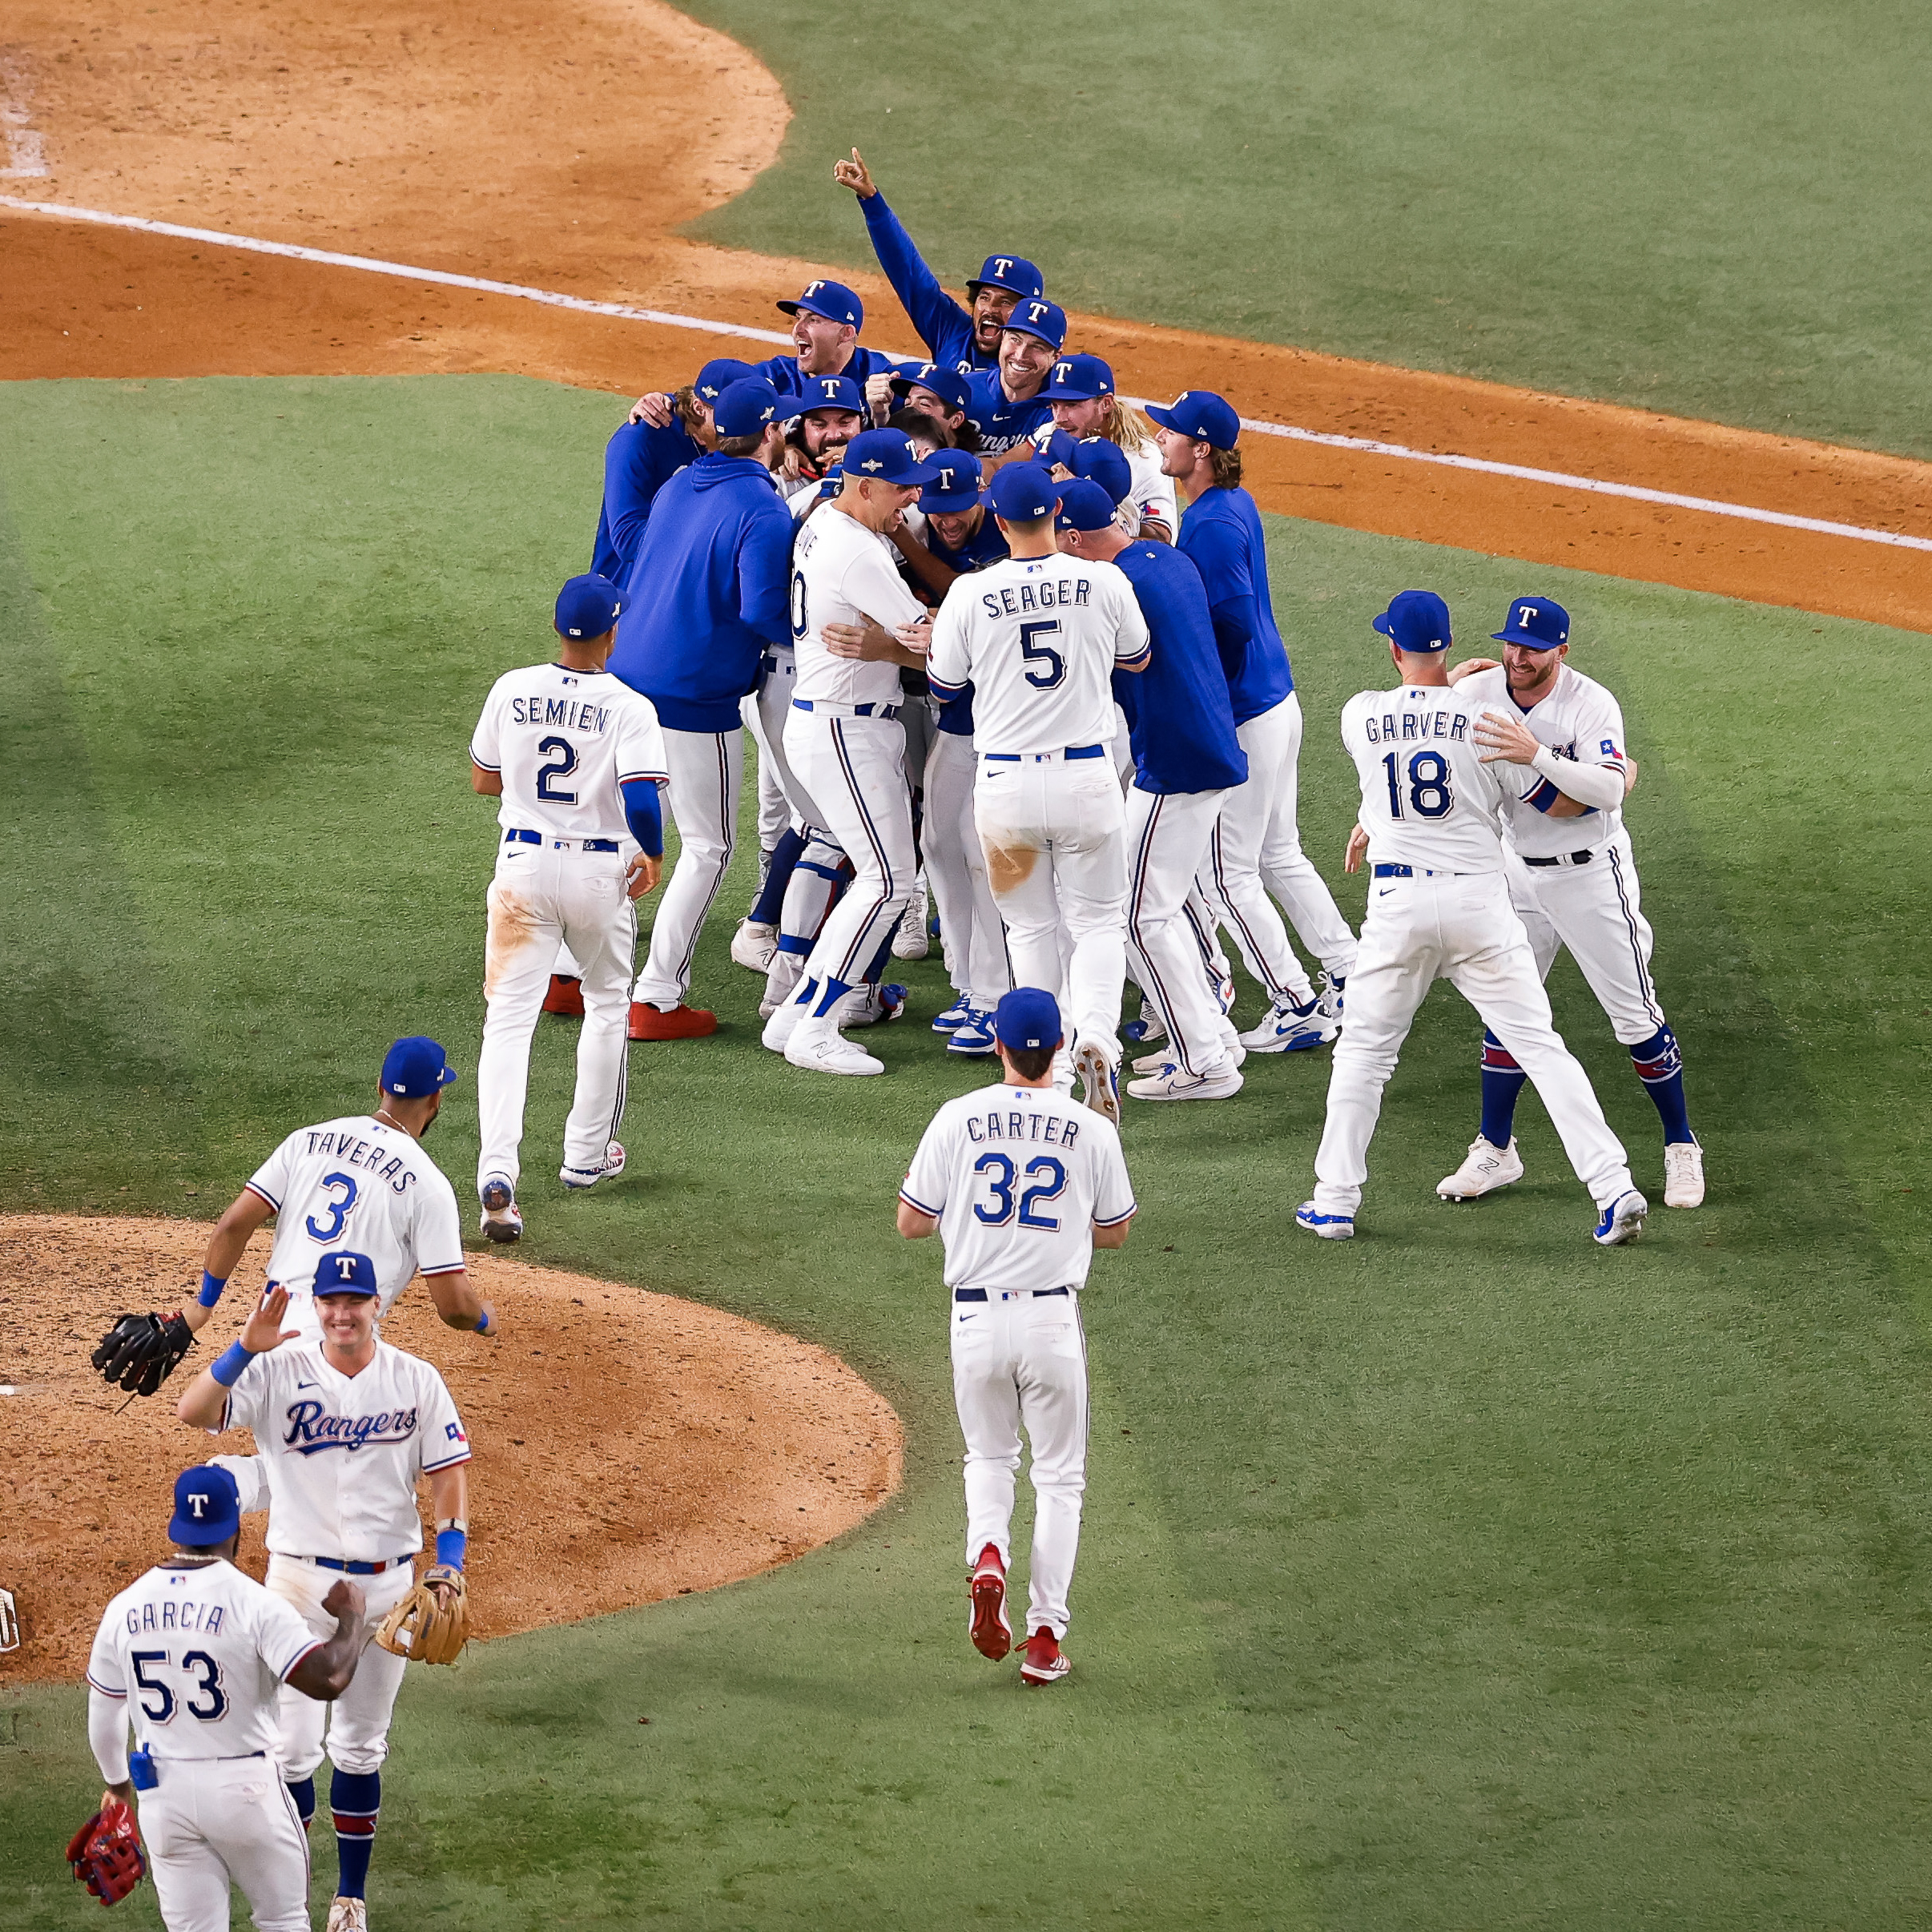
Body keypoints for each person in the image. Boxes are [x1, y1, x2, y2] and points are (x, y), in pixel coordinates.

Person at [1295, 590, 1648, 1246]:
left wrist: (1372, 821)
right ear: (1448, 645)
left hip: (1397, 908)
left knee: (1365, 1057)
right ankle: (1612, 1187)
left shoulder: (1360, 714)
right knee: (1541, 1049)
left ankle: (1334, 1201)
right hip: (1480, 907)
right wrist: (1616, 776)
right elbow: (1551, 801)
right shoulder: (1488, 723)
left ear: (1395, 648)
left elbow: (1394, 760)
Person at [175, 1260, 475, 1932]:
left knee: (363, 1746)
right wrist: (244, 1346)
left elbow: (449, 1471)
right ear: (318, 1306)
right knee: (290, 1753)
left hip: (386, 1586)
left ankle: (350, 1898)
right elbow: (192, 1410)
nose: (342, 1315)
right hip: (297, 1585)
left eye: (355, 1303)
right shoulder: (276, 1369)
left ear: (377, 1305)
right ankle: (291, 1899)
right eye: (331, 1303)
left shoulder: (416, 1380)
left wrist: (449, 1563)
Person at [897, 987, 1137, 1688]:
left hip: (974, 1319)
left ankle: (990, 1553)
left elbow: (913, 1221)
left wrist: (971, 1223)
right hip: (1051, 1323)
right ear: (1058, 1049)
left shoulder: (956, 1117)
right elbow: (1116, 1231)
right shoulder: (1091, 1128)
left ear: (998, 1046)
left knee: (989, 1457)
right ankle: (1042, 1639)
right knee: (1060, 1478)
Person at [1437, 596, 1705, 1208]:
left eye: (1532, 649)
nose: (1517, 657)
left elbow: (1605, 792)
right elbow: (1418, 726)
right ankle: (1495, 1149)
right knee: (1508, 1010)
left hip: (1590, 878)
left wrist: (1534, 755)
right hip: (1515, 875)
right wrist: (1448, 684)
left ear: (1561, 650)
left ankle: (1681, 1145)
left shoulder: (1591, 703)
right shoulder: (1480, 691)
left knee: (1634, 1017)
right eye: (1510, 644)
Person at [928, 462, 1151, 1121]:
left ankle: (1043, 1068)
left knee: (1029, 925)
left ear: (997, 521)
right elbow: (1137, 657)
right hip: (1087, 778)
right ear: (1056, 513)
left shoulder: (971, 593)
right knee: (1098, 920)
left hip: (1005, 787)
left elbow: (945, 686)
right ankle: (1099, 1037)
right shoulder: (1104, 579)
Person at [1150, 388, 1354, 1051]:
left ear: (1200, 450)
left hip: (1243, 710)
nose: (1160, 439)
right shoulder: (1229, 503)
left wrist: (1202, 683)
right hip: (1275, 699)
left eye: (1171, 433)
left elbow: (1231, 618)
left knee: (1228, 872)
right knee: (1277, 853)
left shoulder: (1210, 521)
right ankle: (1349, 971)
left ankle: (1294, 1001)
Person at [468, 574, 668, 1238]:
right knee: (607, 1002)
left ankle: (497, 1172)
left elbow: (482, 778)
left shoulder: (511, 687)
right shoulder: (629, 705)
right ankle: (585, 1156)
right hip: (595, 871)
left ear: (559, 629)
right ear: (613, 632)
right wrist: (653, 852)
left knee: (508, 1022)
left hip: (522, 868)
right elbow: (641, 795)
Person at [83, 1464, 368, 1932]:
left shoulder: (124, 1607)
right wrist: (352, 1620)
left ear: (178, 1526)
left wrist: (116, 1787)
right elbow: (327, 1680)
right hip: (247, 1794)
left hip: (164, 1796)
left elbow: (104, 1710)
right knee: (282, 1920)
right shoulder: (254, 1603)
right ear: (235, 1527)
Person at [610, 376, 801, 1039]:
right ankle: (656, 998)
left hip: (625, 681)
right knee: (708, 847)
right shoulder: (764, 509)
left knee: (624, 834)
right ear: (772, 433)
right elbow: (761, 610)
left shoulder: (680, 482)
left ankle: (571, 974)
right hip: (692, 699)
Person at [1055, 481, 1250, 1101]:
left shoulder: (1118, 584)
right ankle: (1211, 1036)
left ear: (1078, 538)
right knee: (1156, 908)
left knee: (1139, 917)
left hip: (1178, 761)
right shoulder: (1165, 558)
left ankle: (1207, 1063)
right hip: (1201, 747)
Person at [759, 428, 940, 1075]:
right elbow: (934, 644)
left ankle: (796, 1011)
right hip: (845, 728)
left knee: (876, 877)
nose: (908, 502)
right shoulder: (859, 551)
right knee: (889, 880)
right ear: (864, 486)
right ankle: (817, 1026)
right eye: (899, 490)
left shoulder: (823, 523)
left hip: (837, 721)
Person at [179, 1036, 493, 1346]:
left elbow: (234, 1225)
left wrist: (202, 1307)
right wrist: (483, 1320)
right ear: (436, 1098)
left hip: (268, 1326)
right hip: (340, 1338)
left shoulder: (306, 1140)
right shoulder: (428, 1184)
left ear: (380, 1086)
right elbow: (454, 1307)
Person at [834, 146, 1044, 373]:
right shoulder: (952, 331)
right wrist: (872, 201)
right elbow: (908, 271)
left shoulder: (1038, 369)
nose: (990, 309)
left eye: (1006, 303)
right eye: (984, 297)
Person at [593, 356, 753, 586]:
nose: (745, 428)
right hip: (629, 592)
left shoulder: (735, 440)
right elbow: (629, 540)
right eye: (733, 415)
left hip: (688, 588)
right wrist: (716, 532)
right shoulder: (638, 440)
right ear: (700, 408)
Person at [1032, 354, 1174, 541]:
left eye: (1072, 405)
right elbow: (1005, 463)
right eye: (1055, 405)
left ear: (1106, 403)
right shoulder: (1053, 432)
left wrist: (1103, 509)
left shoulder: (1143, 456)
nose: (1059, 417)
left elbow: (1161, 537)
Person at [962, 301, 1065, 457]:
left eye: (1037, 347)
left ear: (1055, 357)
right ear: (1003, 337)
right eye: (1015, 340)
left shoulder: (1061, 411)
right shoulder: (962, 391)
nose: (1020, 355)